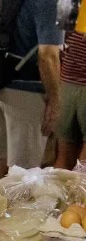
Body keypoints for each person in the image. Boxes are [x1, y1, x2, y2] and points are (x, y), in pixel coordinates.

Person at [0, 0, 64, 177]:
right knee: (25, 173)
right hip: (25, 93)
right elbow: (47, 55)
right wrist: (55, 100)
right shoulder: (49, 3)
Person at [54, 31, 86, 170]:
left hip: (66, 85)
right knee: (83, 166)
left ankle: (56, 191)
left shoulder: (71, 9)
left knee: (64, 157)